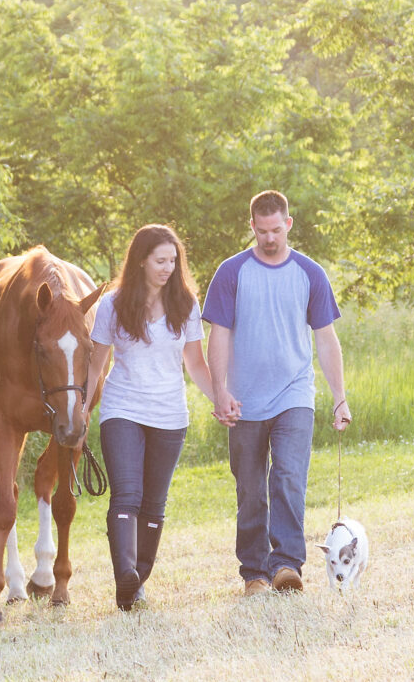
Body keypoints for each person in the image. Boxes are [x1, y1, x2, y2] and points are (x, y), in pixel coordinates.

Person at [203, 190, 350, 594]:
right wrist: (220, 391)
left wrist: (340, 397)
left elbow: (326, 339)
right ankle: (254, 572)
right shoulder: (231, 272)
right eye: (262, 231)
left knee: (287, 475)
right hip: (244, 400)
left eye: (276, 230)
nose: (270, 238)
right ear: (251, 227)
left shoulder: (309, 273)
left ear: (288, 224)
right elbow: (218, 335)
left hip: (294, 394)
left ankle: (287, 565)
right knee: (250, 488)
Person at [83, 223, 220, 611]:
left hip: (169, 413)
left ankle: (136, 582)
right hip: (122, 408)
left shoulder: (186, 304)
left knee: (154, 503)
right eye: (160, 260)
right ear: (141, 261)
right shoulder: (113, 303)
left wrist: (219, 398)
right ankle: (125, 575)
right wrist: (82, 407)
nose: (167, 268)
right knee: (127, 494)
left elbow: (195, 362)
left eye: (173, 261)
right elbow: (97, 361)